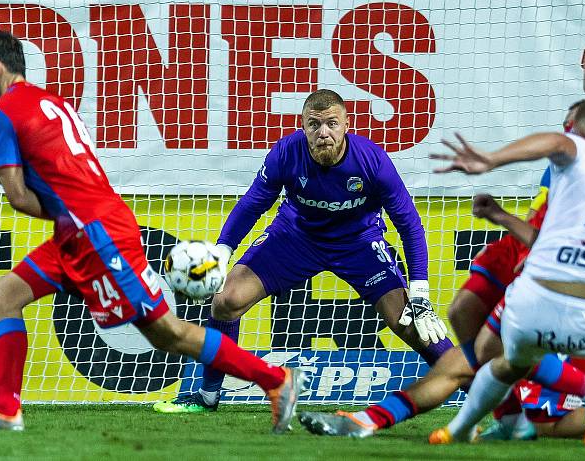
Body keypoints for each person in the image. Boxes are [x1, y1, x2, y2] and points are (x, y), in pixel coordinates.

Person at [298, 21, 585, 439]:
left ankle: (372, 420)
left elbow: (568, 157)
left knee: (484, 361)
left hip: (554, 263)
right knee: (465, 315)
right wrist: (504, 218)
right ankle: (519, 411)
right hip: (533, 244)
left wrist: (491, 161)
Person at [0, 30, 303, 432]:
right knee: (2, 297)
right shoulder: (53, 103)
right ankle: (6, 410)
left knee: (169, 334)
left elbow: (20, 198)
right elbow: (69, 181)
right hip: (83, 229)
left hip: (98, 237)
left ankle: (276, 380)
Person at [154, 89, 452, 413]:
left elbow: (409, 224)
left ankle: (485, 394)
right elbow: (254, 202)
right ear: (303, 126)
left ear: (346, 125)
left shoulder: (373, 161)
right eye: (314, 124)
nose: (323, 133)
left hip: (360, 243)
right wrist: (224, 250)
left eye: (332, 124)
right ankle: (208, 396)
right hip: (295, 237)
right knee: (226, 300)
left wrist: (420, 290)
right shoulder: (286, 152)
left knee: (411, 322)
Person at [428, 99, 585, 448]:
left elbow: (554, 142)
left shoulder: (578, 159)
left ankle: (460, 428)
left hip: (530, 310)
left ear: (579, 132)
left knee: (504, 361)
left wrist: (492, 159)